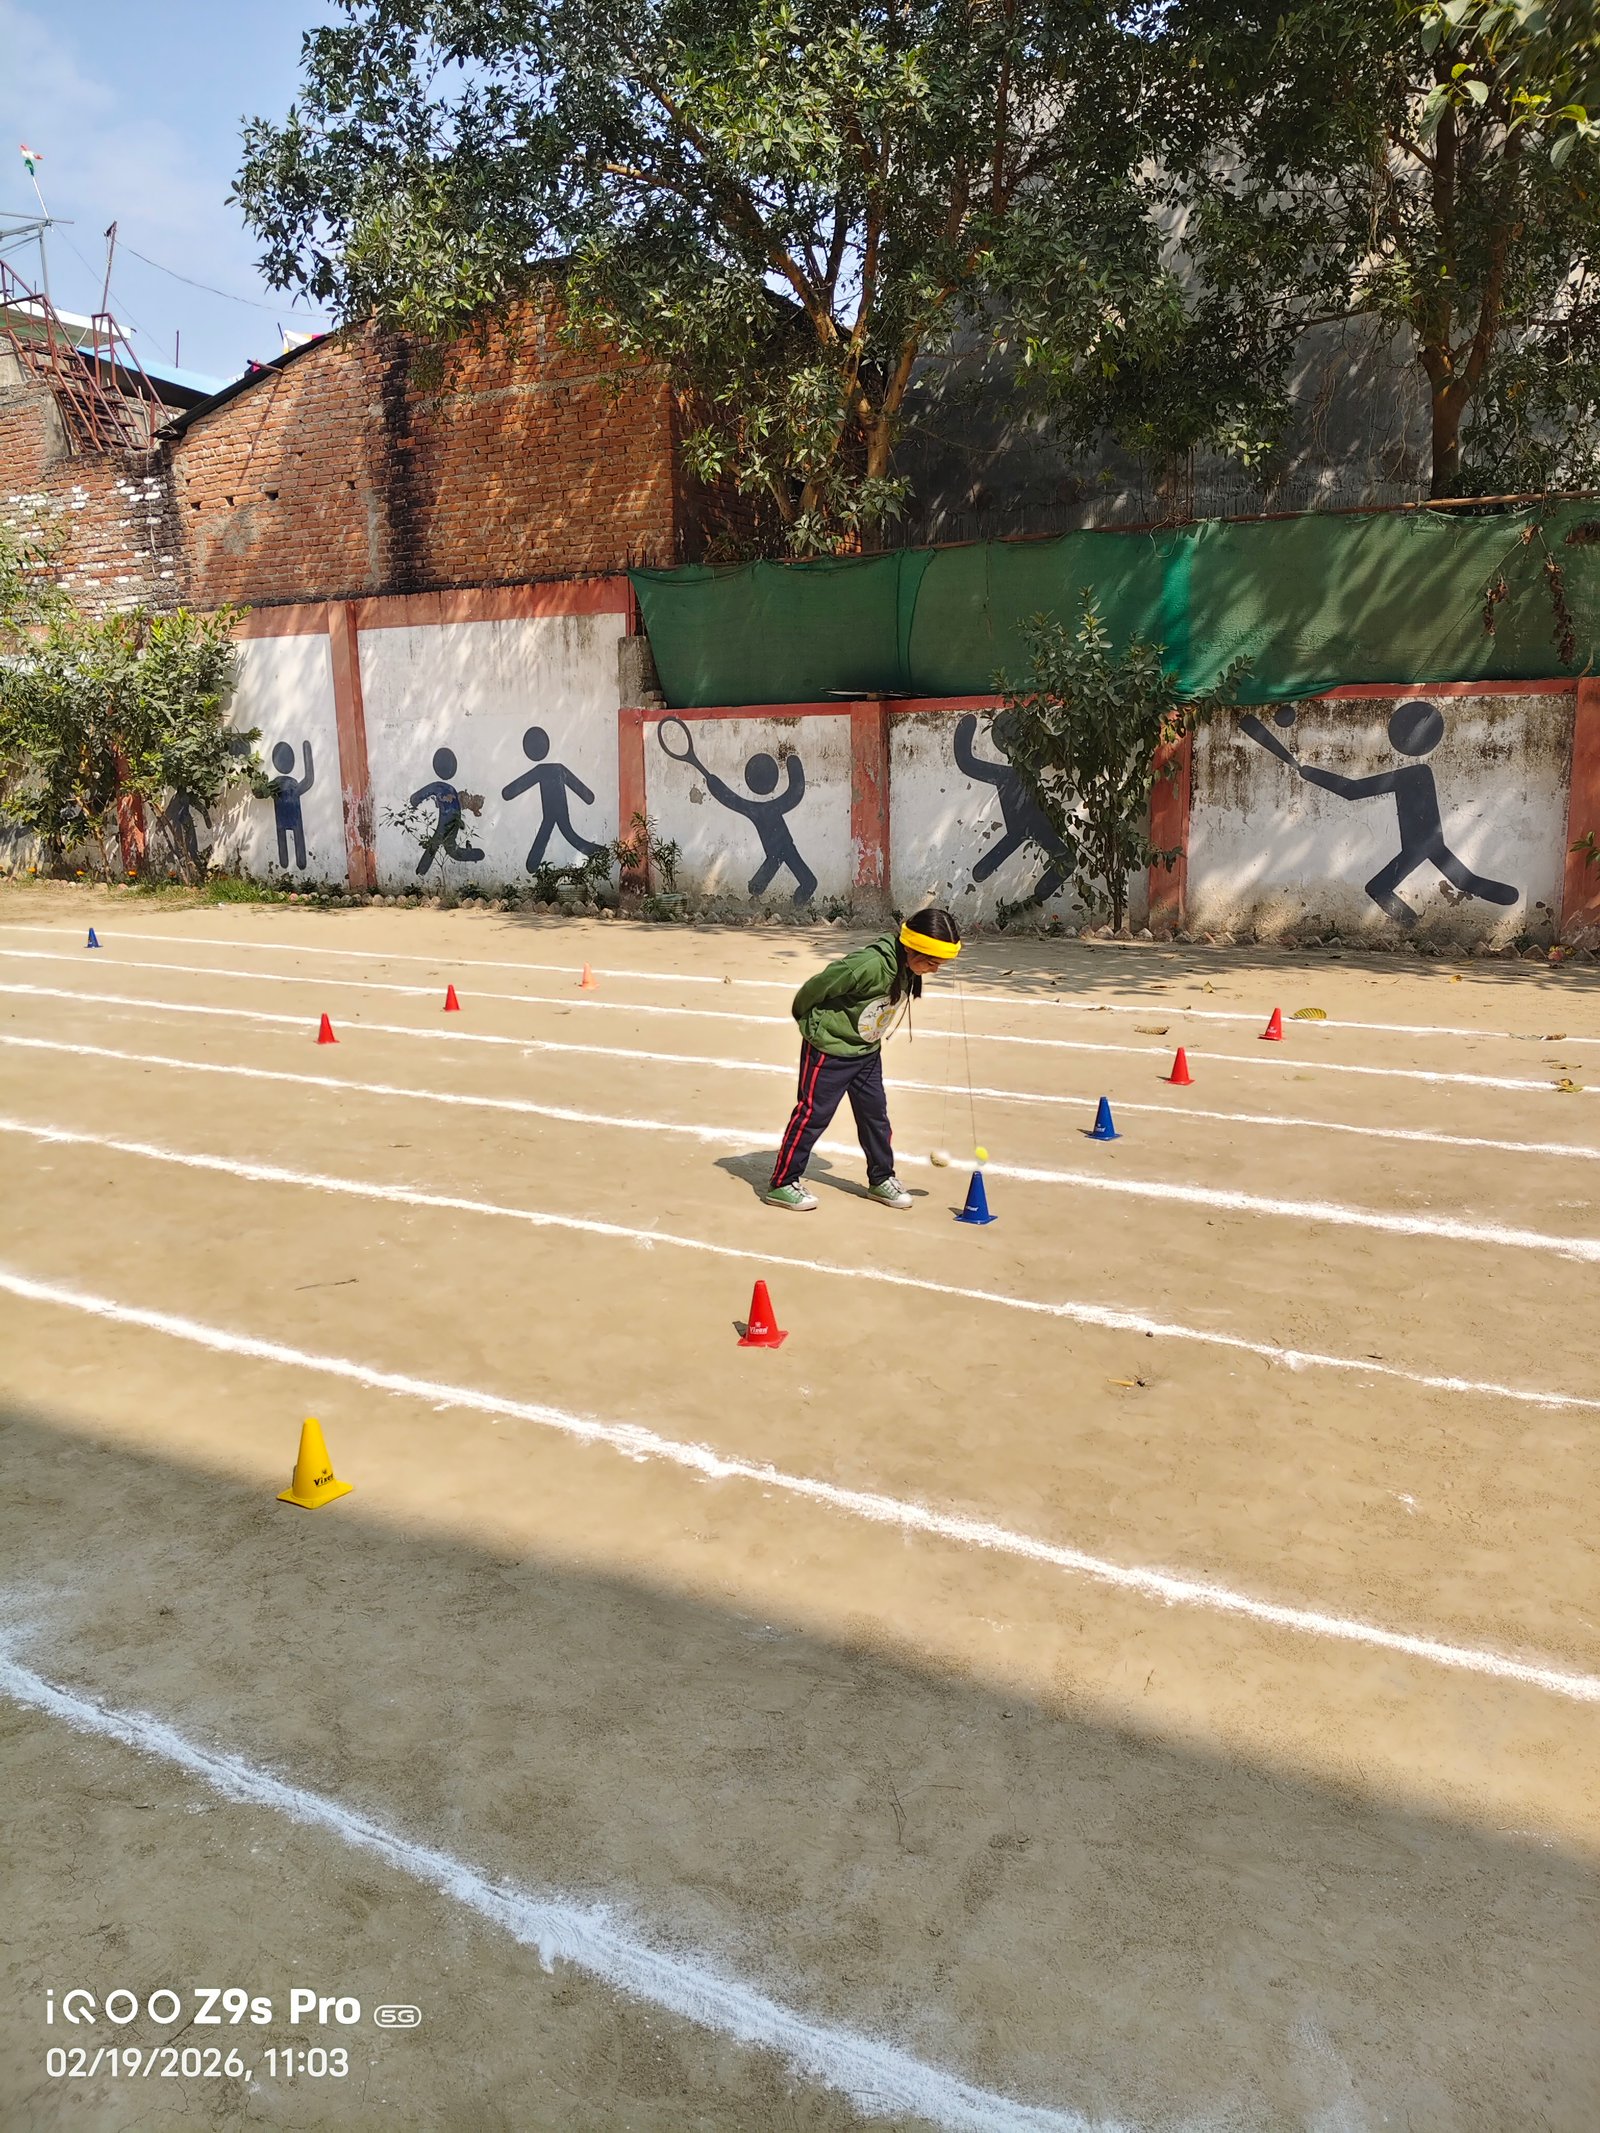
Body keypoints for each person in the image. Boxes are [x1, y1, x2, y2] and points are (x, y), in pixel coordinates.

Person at [766, 908, 962, 1211]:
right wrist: (814, 1026)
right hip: (830, 1052)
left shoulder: (908, 966)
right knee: (813, 1116)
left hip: (867, 1053)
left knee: (875, 1116)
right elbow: (817, 988)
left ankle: (881, 1178)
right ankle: (782, 1182)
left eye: (940, 964)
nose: (935, 970)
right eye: (931, 962)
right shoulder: (869, 965)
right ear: (911, 947)